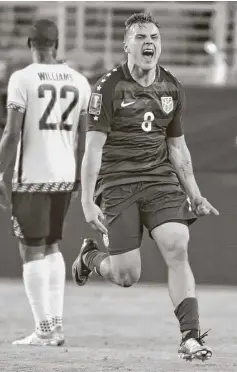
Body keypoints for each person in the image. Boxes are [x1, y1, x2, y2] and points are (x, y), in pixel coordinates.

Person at [72, 13, 219, 361]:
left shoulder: (171, 87)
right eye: (139, 37)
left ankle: (190, 337)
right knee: (126, 276)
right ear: (126, 45)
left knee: (177, 245)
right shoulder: (107, 88)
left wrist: (195, 194)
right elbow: (92, 149)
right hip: (118, 183)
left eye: (153, 35)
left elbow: (177, 148)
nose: (148, 41)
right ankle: (90, 256)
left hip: (158, 180)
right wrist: (86, 201)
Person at [0, 19, 91, 346]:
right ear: (57, 44)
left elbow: (12, 131)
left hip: (31, 177)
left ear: (31, 42)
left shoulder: (22, 78)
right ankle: (56, 325)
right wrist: (79, 177)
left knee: (30, 250)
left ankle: (44, 329)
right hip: (64, 176)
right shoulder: (80, 81)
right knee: (51, 247)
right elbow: (84, 137)